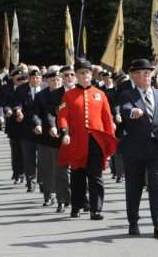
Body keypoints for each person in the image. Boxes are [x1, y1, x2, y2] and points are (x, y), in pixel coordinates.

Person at [118, 58, 158, 239]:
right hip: (135, 149)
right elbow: (124, 109)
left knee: (157, 186)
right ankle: (133, 221)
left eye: (149, 72)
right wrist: (132, 113)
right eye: (142, 73)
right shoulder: (128, 95)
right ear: (134, 76)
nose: (146, 76)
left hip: (157, 148)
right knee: (134, 188)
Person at [57, 59, 117, 220]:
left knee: (96, 176)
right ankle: (76, 206)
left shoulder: (100, 94)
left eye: (87, 73)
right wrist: (65, 132)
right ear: (76, 75)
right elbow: (62, 117)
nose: (84, 76)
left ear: (92, 75)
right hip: (77, 141)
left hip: (96, 141)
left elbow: (107, 119)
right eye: (81, 73)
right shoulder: (68, 95)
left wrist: (109, 142)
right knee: (77, 175)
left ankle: (95, 209)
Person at [33, 67, 71, 212]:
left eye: (58, 79)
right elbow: (36, 113)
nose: (55, 82)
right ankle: (51, 195)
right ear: (47, 80)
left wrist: (56, 127)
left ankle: (65, 198)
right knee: (48, 169)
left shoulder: (67, 94)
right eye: (52, 80)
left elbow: (61, 114)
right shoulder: (41, 96)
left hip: (65, 135)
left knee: (63, 169)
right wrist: (37, 125)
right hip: (46, 138)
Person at [14, 68, 43, 193]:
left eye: (38, 78)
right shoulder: (21, 89)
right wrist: (18, 110)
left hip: (42, 129)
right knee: (28, 157)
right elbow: (17, 102)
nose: (36, 80)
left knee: (42, 158)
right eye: (33, 78)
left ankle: (43, 182)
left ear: (41, 79)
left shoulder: (45, 89)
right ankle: (31, 181)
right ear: (29, 79)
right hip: (26, 129)